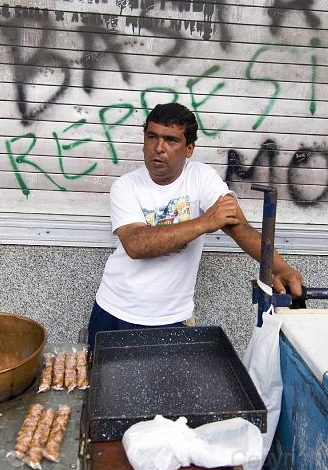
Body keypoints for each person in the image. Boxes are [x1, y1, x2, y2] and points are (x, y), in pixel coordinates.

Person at [88, 103, 303, 349]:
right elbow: (136, 245)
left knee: (168, 387)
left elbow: (238, 227)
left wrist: (281, 268)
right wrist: (204, 222)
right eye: (152, 137)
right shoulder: (126, 186)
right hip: (116, 311)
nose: (159, 148)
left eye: (171, 140)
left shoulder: (201, 178)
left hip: (172, 317)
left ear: (189, 149)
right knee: (107, 386)